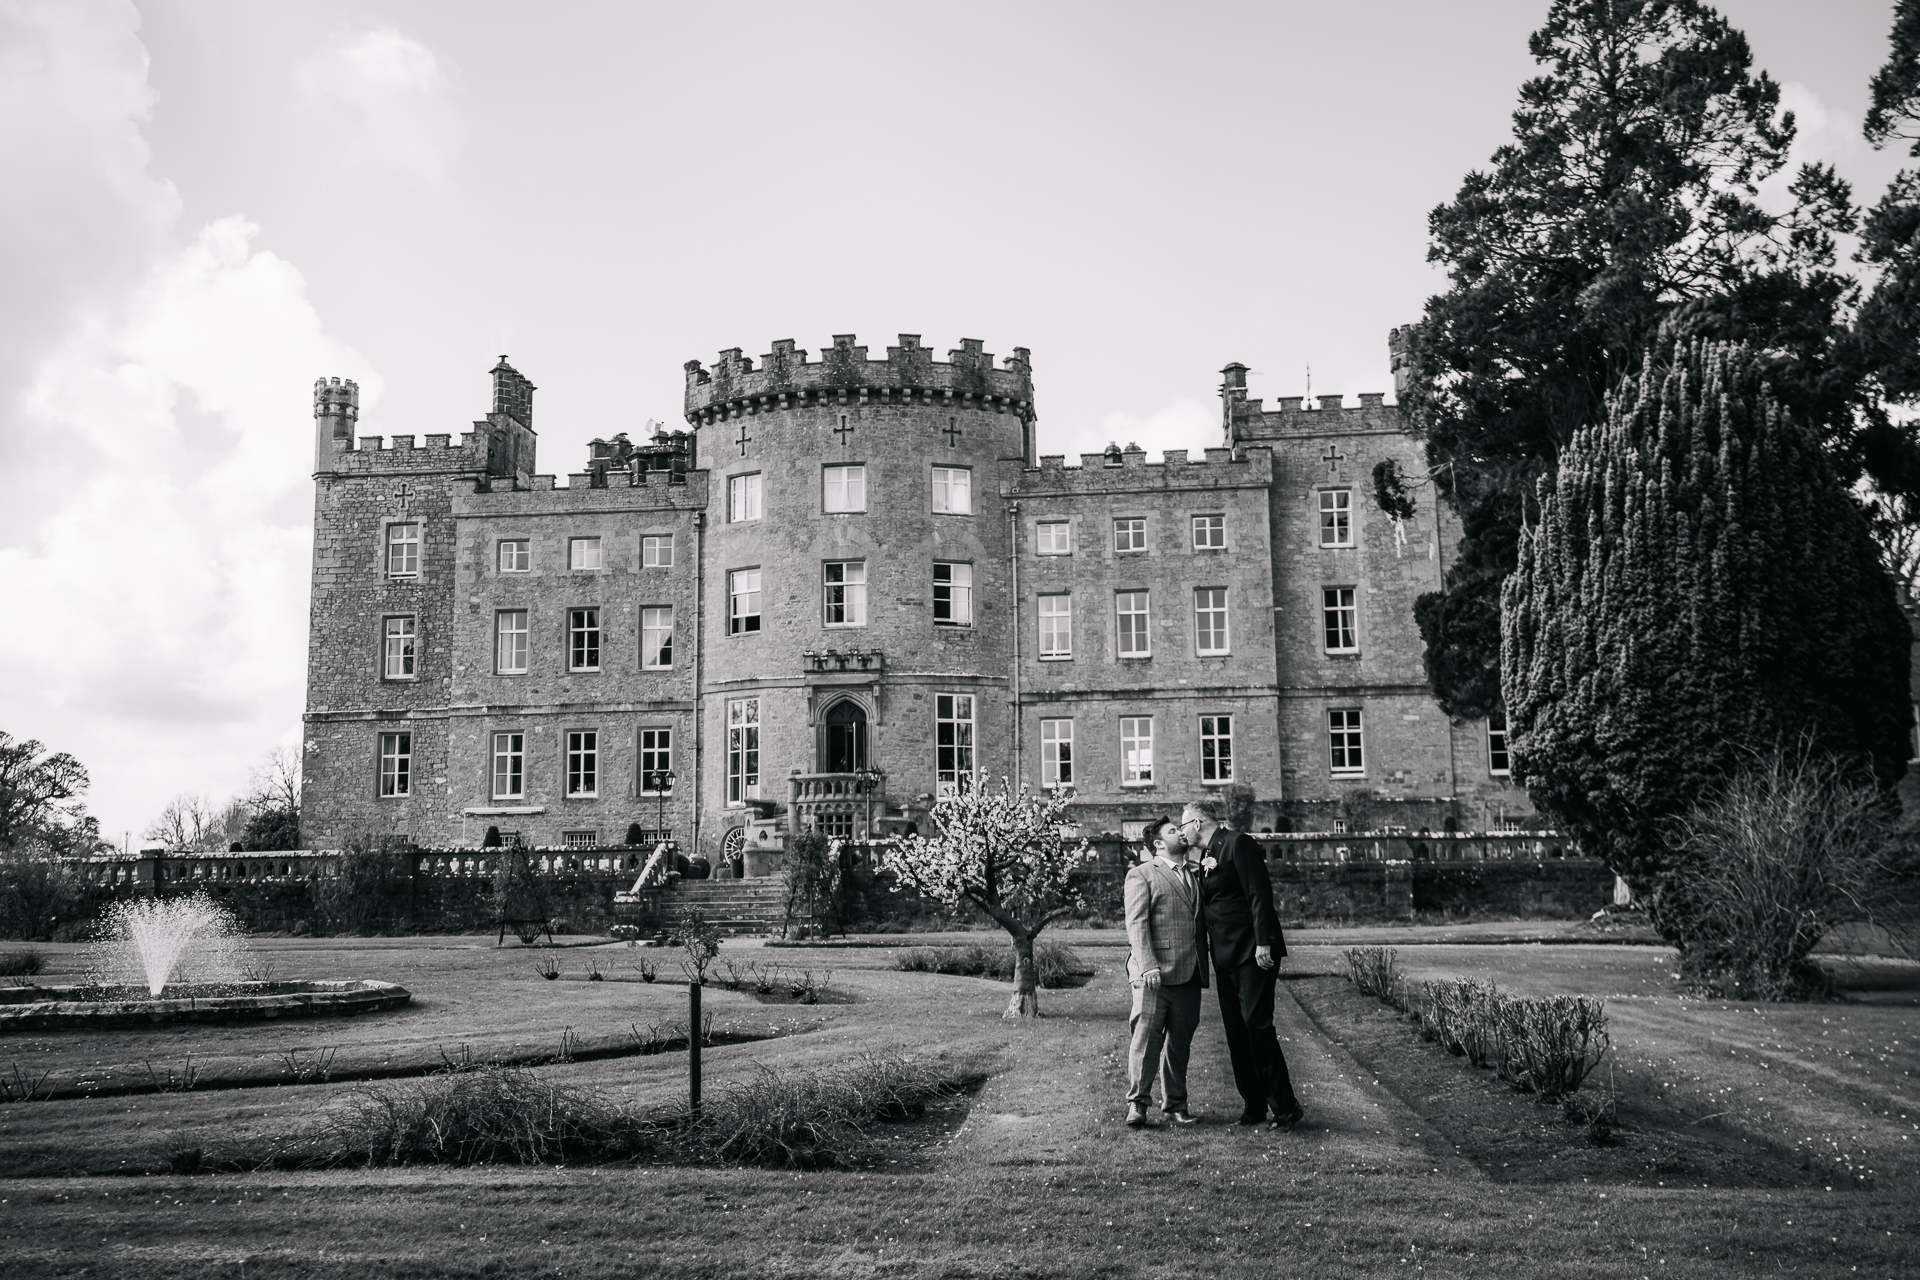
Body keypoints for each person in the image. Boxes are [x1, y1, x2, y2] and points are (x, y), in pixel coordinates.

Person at [1182, 797, 1303, 1128]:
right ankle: (1253, 1106)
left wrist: (1264, 941)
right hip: (1225, 957)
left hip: (1253, 952)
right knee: (1236, 1033)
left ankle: (1286, 1107)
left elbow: (1258, 894)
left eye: (1182, 825)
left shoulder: (1239, 843)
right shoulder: (1206, 855)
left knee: (1256, 1027)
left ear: (1197, 823)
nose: (1181, 832)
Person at [1122, 816, 1208, 1128]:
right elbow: (1137, 924)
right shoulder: (1141, 874)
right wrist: (1148, 966)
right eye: (1173, 831)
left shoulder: (1197, 873)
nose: (1181, 833)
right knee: (1145, 1042)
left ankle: (1175, 1105)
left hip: (1190, 972)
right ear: (1159, 843)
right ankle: (1138, 1105)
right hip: (1153, 976)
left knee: (1180, 1044)